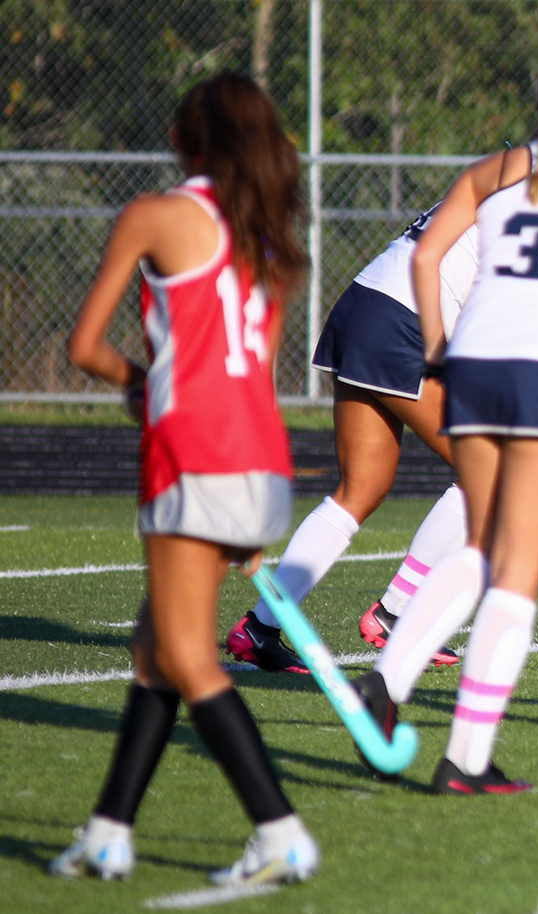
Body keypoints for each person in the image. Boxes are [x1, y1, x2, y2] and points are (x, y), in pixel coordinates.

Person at [352, 51, 538, 794]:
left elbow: (426, 258)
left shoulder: (492, 169)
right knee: (517, 565)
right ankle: (467, 760)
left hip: (475, 360)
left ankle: (386, 680)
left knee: (483, 545)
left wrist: (436, 349)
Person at [53, 73, 319, 884]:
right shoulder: (269, 240)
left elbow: (85, 347)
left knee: (186, 655)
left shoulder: (157, 215)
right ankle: (108, 833)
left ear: (186, 139)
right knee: (153, 649)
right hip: (261, 458)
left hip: (193, 453)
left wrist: (141, 383)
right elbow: (250, 368)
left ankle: (279, 831)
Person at [222, 205, 479, 673]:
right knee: (487, 474)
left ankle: (259, 628)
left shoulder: (502, 182)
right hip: (405, 320)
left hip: (365, 303)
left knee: (361, 489)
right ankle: (395, 613)